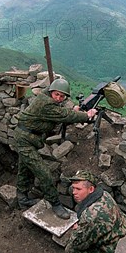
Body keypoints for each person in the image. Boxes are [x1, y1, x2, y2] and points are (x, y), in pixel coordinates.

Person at [14, 78, 98, 219]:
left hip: (28, 138)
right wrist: (86, 115)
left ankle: (22, 199)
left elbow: (61, 112)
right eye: (56, 95)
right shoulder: (45, 103)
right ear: (51, 92)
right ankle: (55, 204)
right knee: (44, 173)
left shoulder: (47, 100)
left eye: (62, 96)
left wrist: (72, 111)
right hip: (24, 140)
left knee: (25, 168)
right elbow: (64, 115)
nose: (59, 98)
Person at [65, 170, 126, 253]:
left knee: (71, 250)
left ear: (91, 189)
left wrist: (77, 231)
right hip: (124, 233)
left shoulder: (91, 215)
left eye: (78, 189)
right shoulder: (104, 194)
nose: (74, 192)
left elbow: (78, 244)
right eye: (73, 188)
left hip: (114, 251)